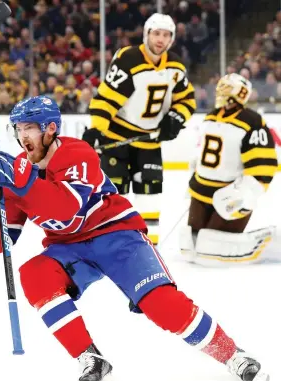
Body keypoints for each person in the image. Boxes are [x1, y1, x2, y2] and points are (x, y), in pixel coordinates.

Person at [0, 96, 268, 381]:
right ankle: (91, 359)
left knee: (162, 306)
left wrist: (21, 182)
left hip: (117, 235)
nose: (23, 136)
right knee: (34, 274)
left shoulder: (77, 153)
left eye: (29, 128)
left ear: (50, 129)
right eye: (18, 129)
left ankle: (232, 354)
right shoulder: (18, 172)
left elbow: (65, 208)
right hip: (70, 248)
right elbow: (1, 243)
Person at [82, 13, 196, 245]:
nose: (160, 40)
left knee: (150, 196)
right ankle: (110, 244)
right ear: (146, 34)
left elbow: (187, 100)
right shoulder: (129, 59)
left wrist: (175, 117)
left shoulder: (175, 65)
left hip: (149, 143)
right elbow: (106, 98)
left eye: (166, 35)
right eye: (156, 34)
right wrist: (96, 129)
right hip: (117, 139)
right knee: (114, 197)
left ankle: (147, 247)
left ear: (172, 39)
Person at [179, 73, 281, 265]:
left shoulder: (252, 121)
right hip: (201, 191)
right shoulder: (211, 116)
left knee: (211, 248)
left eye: (225, 88)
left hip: (228, 194)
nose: (219, 92)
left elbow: (263, 167)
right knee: (190, 245)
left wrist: (245, 194)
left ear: (238, 94)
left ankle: (270, 243)